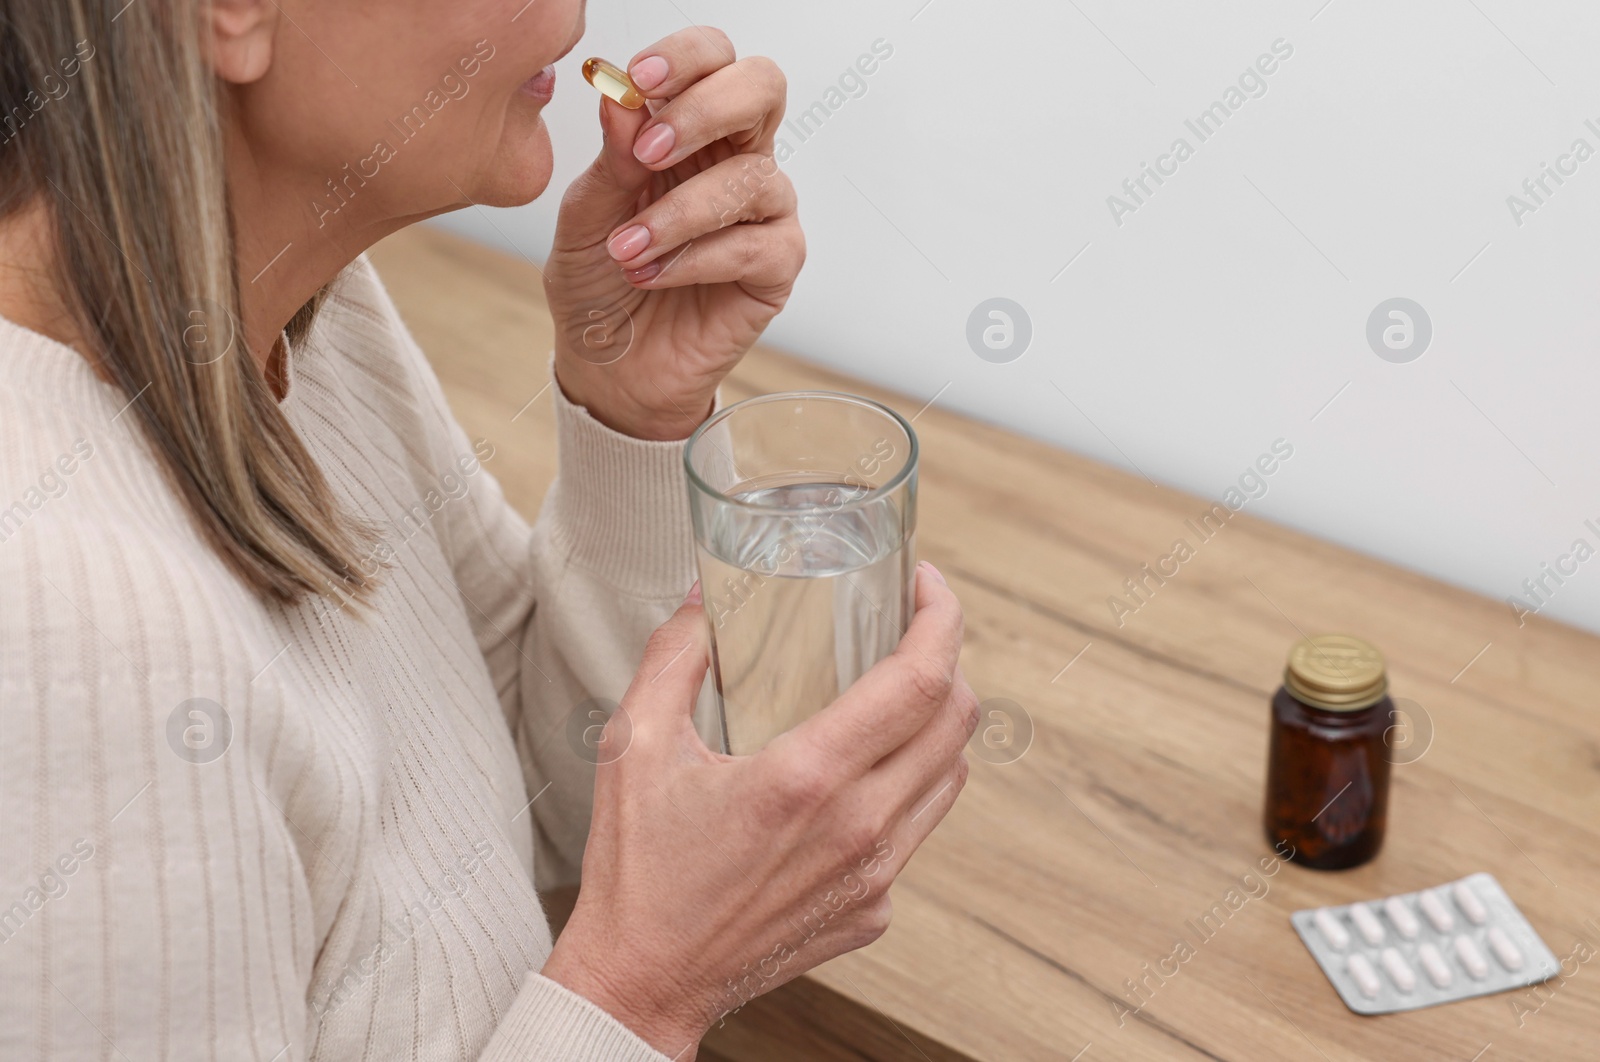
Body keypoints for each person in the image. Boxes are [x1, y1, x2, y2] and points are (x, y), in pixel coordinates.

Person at [0, 1, 977, 1059]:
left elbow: (527, 801)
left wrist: (630, 412)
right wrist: (641, 996)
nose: (573, 10)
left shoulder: (295, 310)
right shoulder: (60, 637)